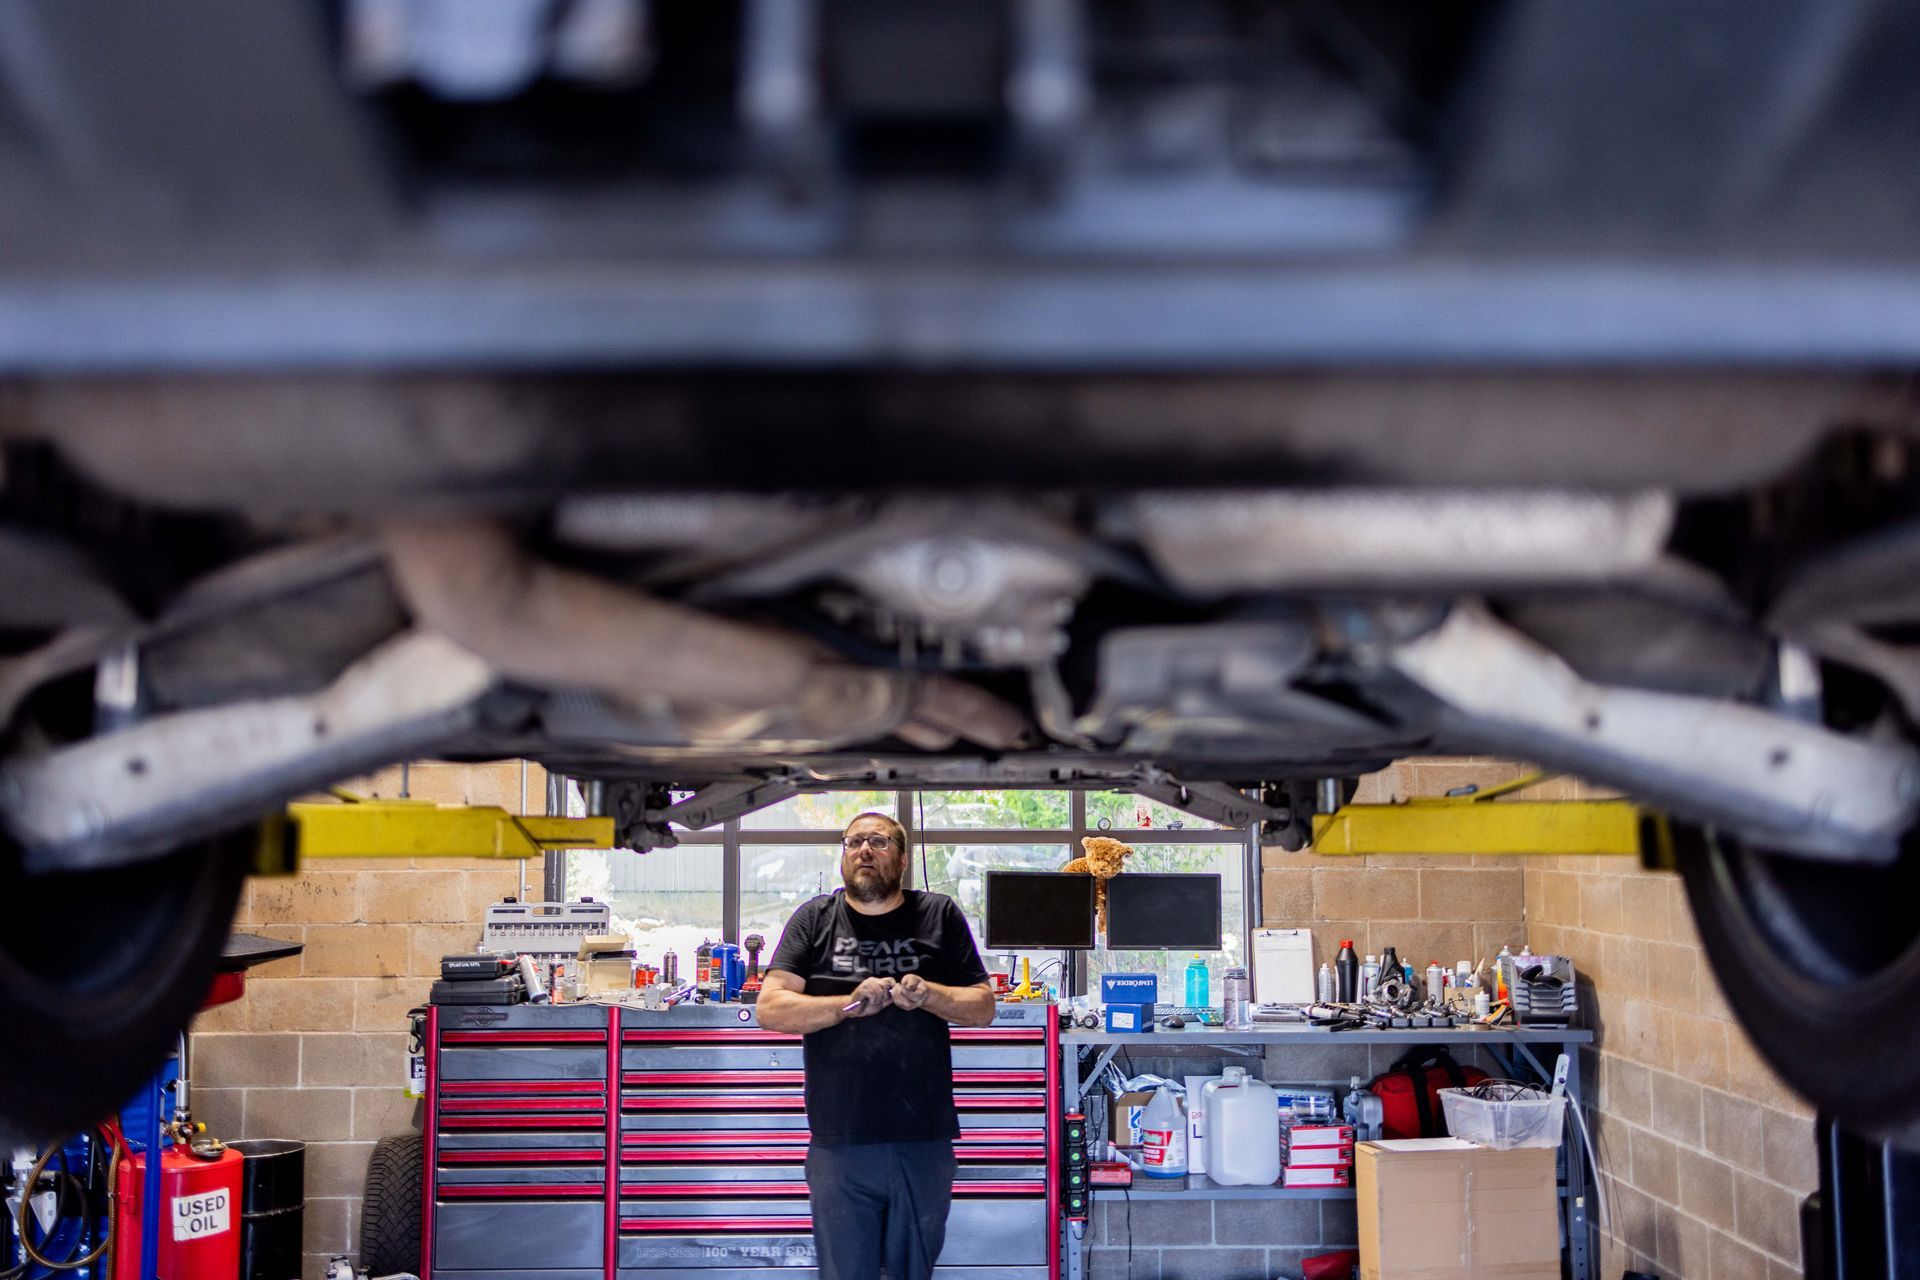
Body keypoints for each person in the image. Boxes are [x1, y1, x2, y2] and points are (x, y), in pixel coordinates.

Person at [757, 810, 997, 1280]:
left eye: (879, 842)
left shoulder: (938, 913)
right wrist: (847, 1003)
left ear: (903, 859)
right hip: (840, 1141)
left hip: (922, 1141)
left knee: (913, 1273)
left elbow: (983, 1005)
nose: (864, 850)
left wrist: (929, 994)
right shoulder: (814, 918)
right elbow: (771, 1008)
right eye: (853, 842)